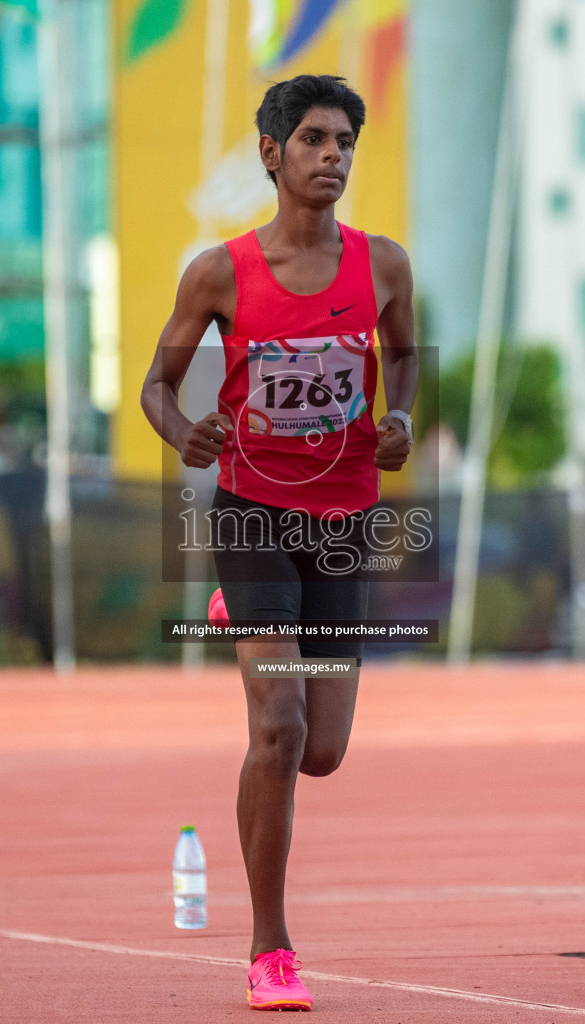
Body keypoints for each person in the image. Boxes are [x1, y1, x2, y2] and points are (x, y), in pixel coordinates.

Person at [140, 75, 416, 1011]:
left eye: (344, 141)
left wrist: (402, 419)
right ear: (272, 153)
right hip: (252, 513)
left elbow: (405, 357)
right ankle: (271, 950)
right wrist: (190, 438)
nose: (332, 155)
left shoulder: (382, 267)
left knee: (323, 748)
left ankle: (254, 631)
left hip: (342, 524)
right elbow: (157, 388)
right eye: (313, 140)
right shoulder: (219, 273)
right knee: (279, 724)